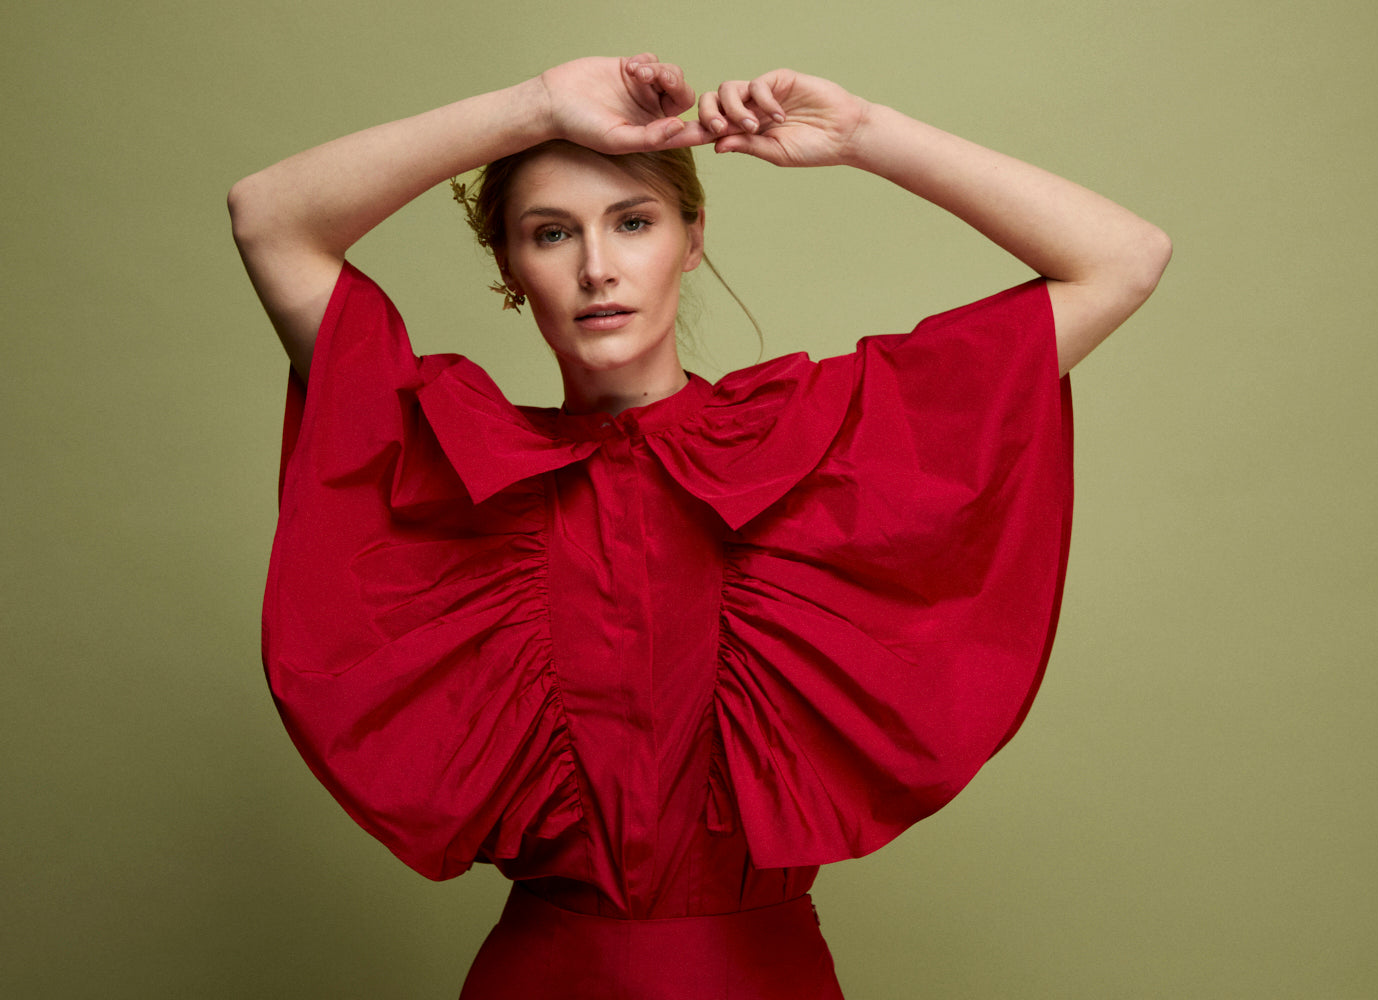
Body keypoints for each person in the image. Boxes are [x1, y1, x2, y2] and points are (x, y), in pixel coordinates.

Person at [230, 53, 1169, 999]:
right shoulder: (452, 459)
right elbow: (268, 216)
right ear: (510, 267)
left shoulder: (823, 442)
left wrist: (864, 134)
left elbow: (1123, 257)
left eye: (633, 222)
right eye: (551, 233)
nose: (597, 268)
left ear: (692, 238)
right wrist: (535, 106)